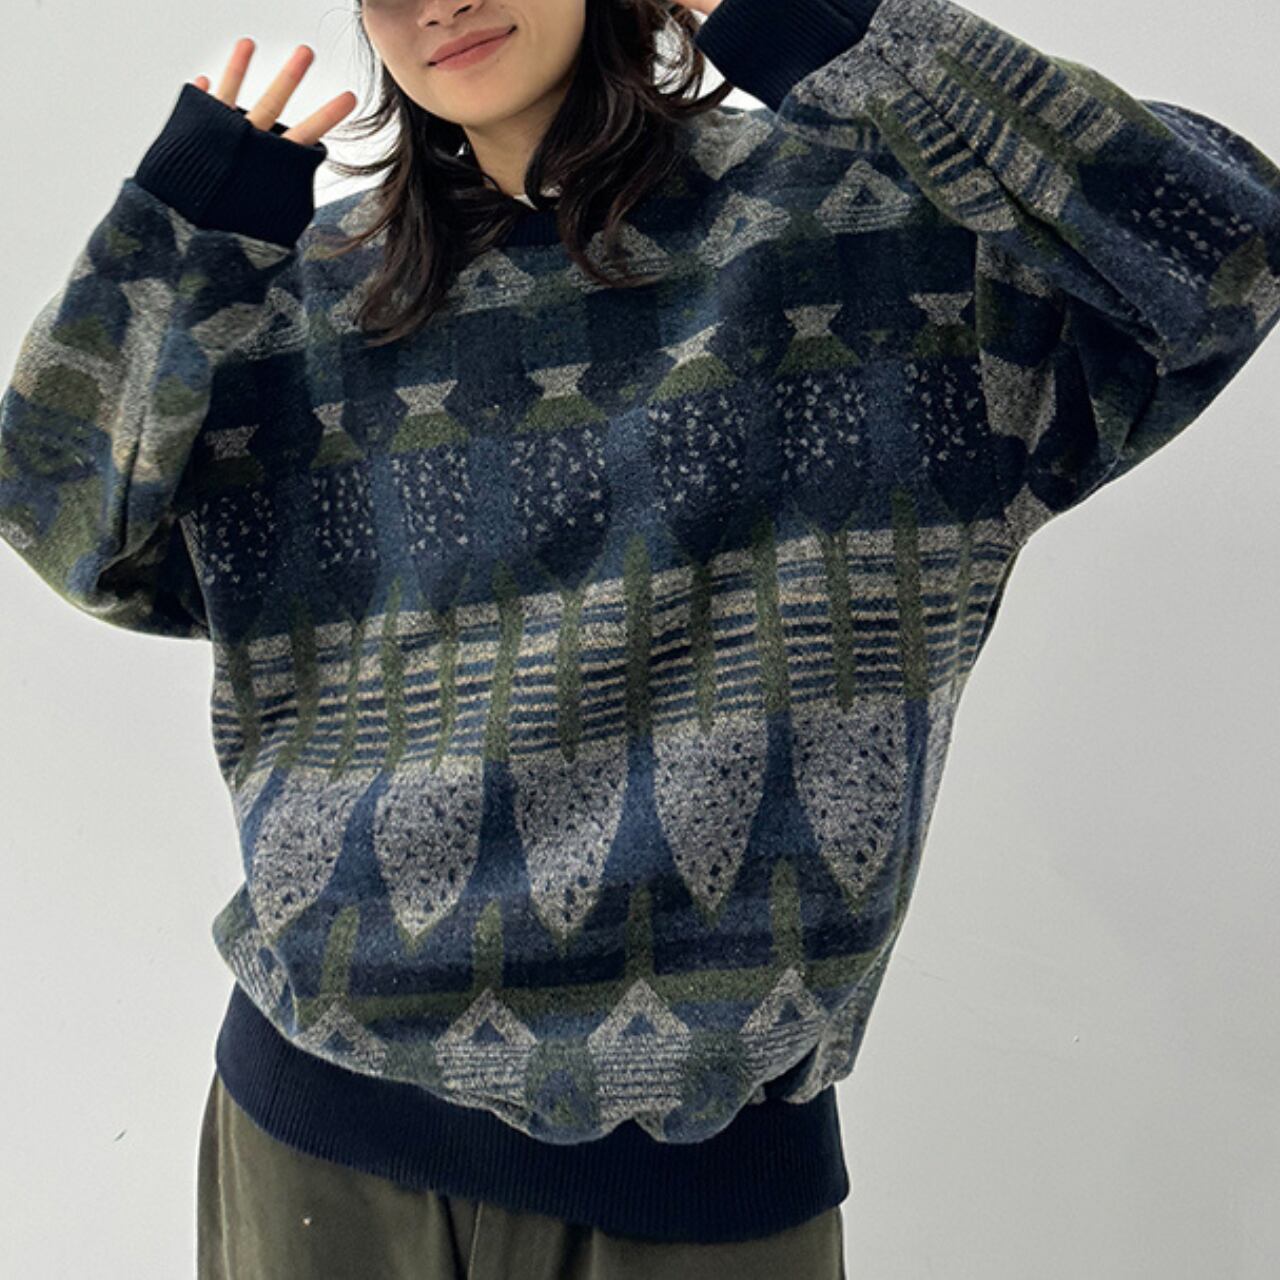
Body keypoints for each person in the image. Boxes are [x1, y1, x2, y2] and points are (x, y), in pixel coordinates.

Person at [2, 0, 1276, 1276]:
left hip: (704, 1175)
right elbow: (69, 529)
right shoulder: (313, 302)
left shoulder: (877, 242)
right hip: (314, 1132)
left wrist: (825, 27)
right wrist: (176, 240)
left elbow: (1221, 255)